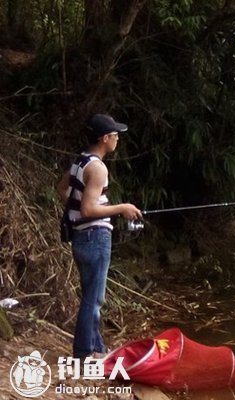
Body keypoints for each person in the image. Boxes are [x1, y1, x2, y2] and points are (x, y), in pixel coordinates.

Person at [57, 113, 142, 359]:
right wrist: (122, 208)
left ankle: (97, 347)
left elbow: (63, 189)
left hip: (81, 237)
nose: (118, 139)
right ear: (105, 138)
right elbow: (88, 209)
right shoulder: (98, 168)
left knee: (93, 296)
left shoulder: (80, 161)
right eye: (115, 135)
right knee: (93, 299)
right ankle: (84, 353)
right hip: (95, 238)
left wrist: (77, 211)